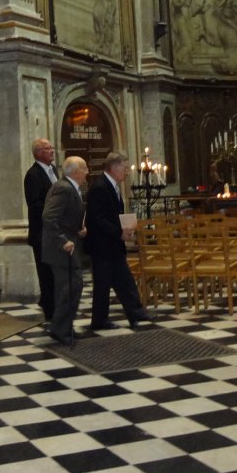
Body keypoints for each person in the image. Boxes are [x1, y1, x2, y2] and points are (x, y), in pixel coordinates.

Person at [83, 152, 153, 331]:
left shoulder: (111, 185)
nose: (127, 172)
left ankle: (135, 313)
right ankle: (99, 321)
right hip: (102, 246)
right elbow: (97, 219)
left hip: (112, 245)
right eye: (125, 168)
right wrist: (118, 232)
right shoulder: (100, 187)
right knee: (103, 285)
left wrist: (125, 228)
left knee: (124, 281)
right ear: (114, 168)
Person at [42, 156, 89, 345]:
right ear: (75, 171)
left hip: (69, 245)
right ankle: (59, 329)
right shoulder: (64, 188)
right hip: (61, 248)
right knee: (69, 287)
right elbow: (49, 216)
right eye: (85, 168)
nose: (87, 172)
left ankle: (64, 327)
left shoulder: (71, 188)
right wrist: (63, 240)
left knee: (72, 286)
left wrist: (79, 229)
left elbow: (65, 217)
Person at [24, 138, 59, 321]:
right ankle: (50, 313)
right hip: (42, 233)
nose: (52, 150)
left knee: (55, 273)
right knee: (46, 274)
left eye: (52, 147)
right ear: (38, 153)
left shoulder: (53, 170)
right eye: (48, 148)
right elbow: (35, 204)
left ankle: (52, 304)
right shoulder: (33, 175)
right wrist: (56, 207)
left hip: (55, 232)